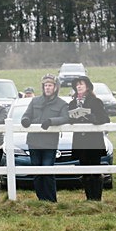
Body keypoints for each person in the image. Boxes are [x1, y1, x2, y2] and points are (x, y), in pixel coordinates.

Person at [21, 74, 70, 202]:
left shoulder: (62, 104)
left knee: (47, 171)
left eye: (50, 85)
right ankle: (41, 200)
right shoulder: (35, 101)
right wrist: (25, 120)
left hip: (49, 143)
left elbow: (66, 118)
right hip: (34, 141)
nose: (47, 88)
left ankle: (52, 200)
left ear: (55, 87)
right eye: (46, 85)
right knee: (37, 172)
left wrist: (51, 121)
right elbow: (26, 115)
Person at [67, 75, 110, 201]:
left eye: (81, 84)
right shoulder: (72, 103)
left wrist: (94, 119)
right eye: (77, 84)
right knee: (84, 170)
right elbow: (69, 118)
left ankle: (97, 199)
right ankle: (89, 198)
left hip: (93, 141)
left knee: (95, 170)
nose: (79, 86)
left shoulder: (96, 101)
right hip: (80, 141)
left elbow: (105, 118)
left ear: (87, 86)